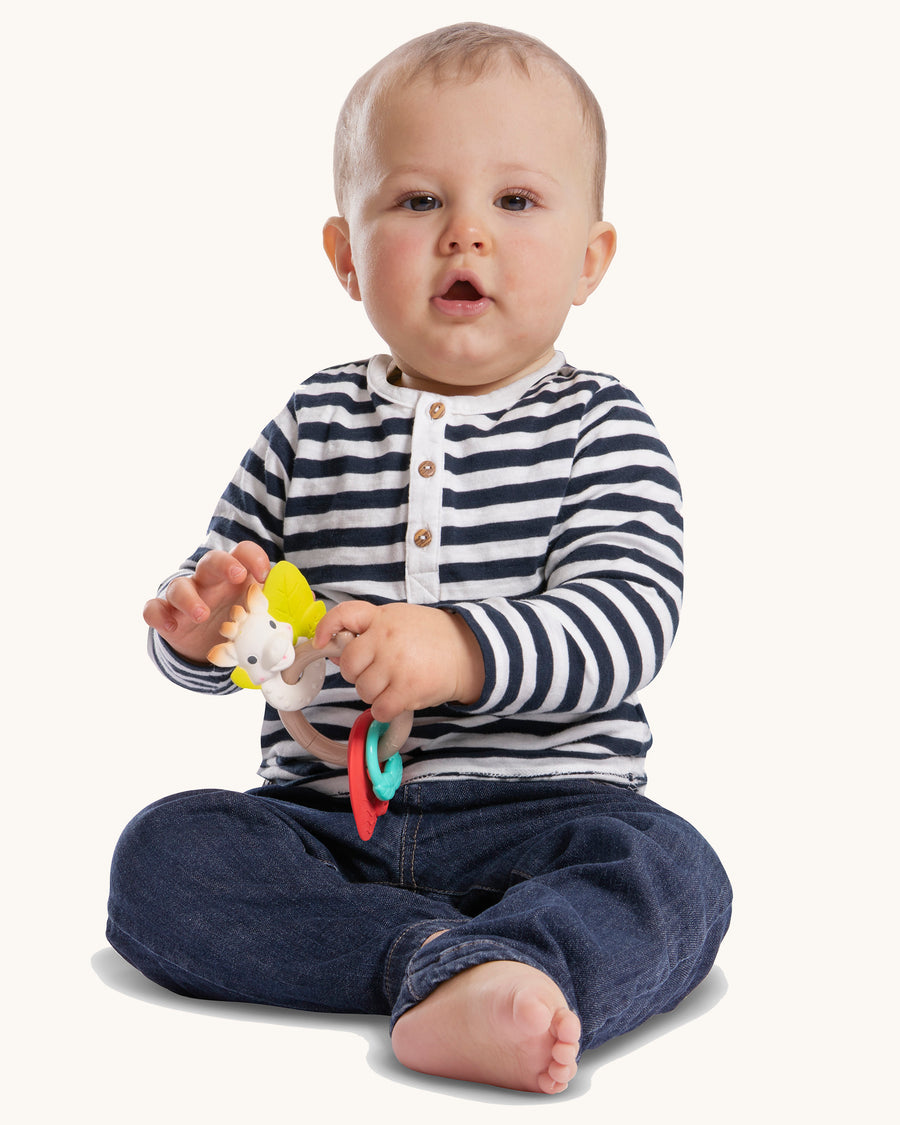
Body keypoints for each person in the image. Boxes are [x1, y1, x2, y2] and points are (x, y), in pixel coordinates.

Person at [108, 22, 732, 1095]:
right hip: (329, 822)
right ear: (346, 256)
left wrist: (456, 649)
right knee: (163, 856)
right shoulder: (310, 424)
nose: (465, 238)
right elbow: (228, 594)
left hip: (550, 814)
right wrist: (200, 631)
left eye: (517, 203)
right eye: (416, 201)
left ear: (591, 259)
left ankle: (520, 954)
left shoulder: (603, 428)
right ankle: (437, 962)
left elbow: (627, 623)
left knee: (673, 872)